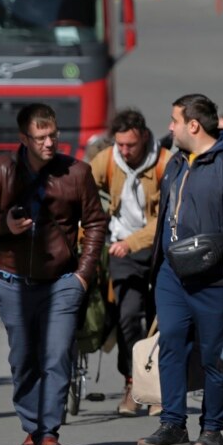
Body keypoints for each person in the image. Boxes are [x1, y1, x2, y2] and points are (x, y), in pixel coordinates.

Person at [0, 105, 108, 445]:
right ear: (24, 139)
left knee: (57, 354)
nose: (49, 143)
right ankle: (31, 426)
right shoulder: (1, 168)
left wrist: (83, 274)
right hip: (11, 281)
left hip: (62, 281)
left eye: (53, 135)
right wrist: (6, 225)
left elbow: (95, 223)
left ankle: (49, 432)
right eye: (40, 137)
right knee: (24, 358)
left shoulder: (76, 172)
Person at [137, 94, 223, 445]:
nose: (170, 127)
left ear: (194, 125)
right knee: (171, 342)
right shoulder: (176, 162)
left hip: (216, 277)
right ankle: (172, 422)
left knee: (213, 354)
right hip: (172, 274)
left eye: (175, 120)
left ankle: (211, 428)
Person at [90, 110, 171, 416]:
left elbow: (164, 218)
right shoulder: (108, 160)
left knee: (158, 319)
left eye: (130, 145)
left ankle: (155, 389)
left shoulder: (164, 162)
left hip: (155, 248)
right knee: (127, 316)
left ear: (145, 138)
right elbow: (83, 192)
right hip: (120, 250)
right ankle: (131, 383)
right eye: (120, 144)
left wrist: (133, 242)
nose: (124, 151)